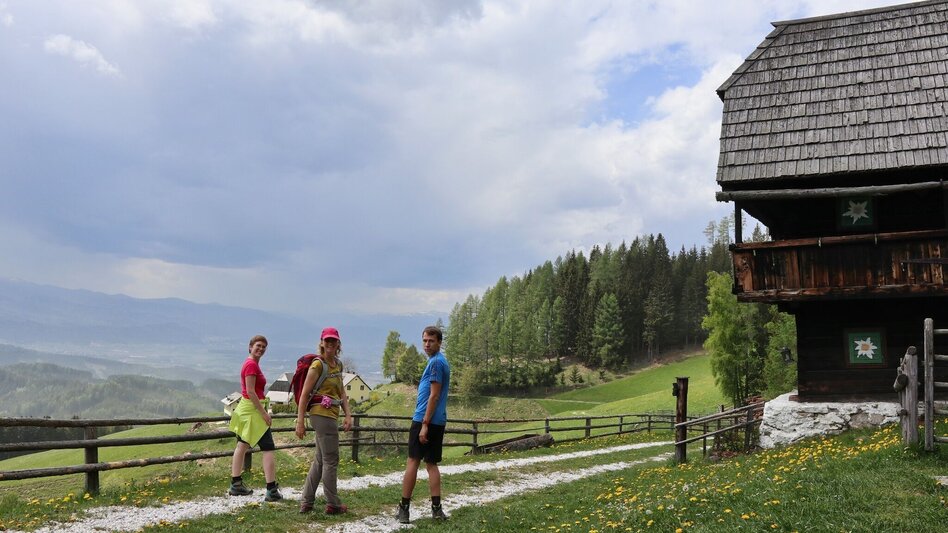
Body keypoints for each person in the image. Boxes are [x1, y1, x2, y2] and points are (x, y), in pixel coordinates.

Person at [295, 327, 353, 515]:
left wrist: (348, 414)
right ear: (321, 342)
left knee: (320, 460)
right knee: (331, 460)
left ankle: (307, 501)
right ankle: (333, 503)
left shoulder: (338, 364)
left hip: (331, 414)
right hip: (322, 415)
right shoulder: (317, 365)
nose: (330, 343)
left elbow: (342, 391)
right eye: (326, 340)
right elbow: (304, 395)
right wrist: (300, 421)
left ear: (338, 344)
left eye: (333, 341)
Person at [397, 325, 451, 524]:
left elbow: (434, 395)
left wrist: (425, 424)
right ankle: (436, 510)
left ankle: (404, 509)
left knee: (413, 462)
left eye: (431, 341)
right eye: (425, 340)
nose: (427, 344)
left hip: (424, 420)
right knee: (431, 465)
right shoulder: (439, 361)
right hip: (438, 421)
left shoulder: (436, 363)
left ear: (439, 342)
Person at [228, 334, 282, 501]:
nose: (261, 349)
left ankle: (236, 484)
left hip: (246, 410)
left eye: (264, 347)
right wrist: (264, 413)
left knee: (242, 445)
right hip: (253, 411)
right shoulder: (251, 365)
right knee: (268, 448)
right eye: (258, 345)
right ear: (250, 346)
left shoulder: (250, 363)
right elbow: (251, 391)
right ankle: (271, 489)